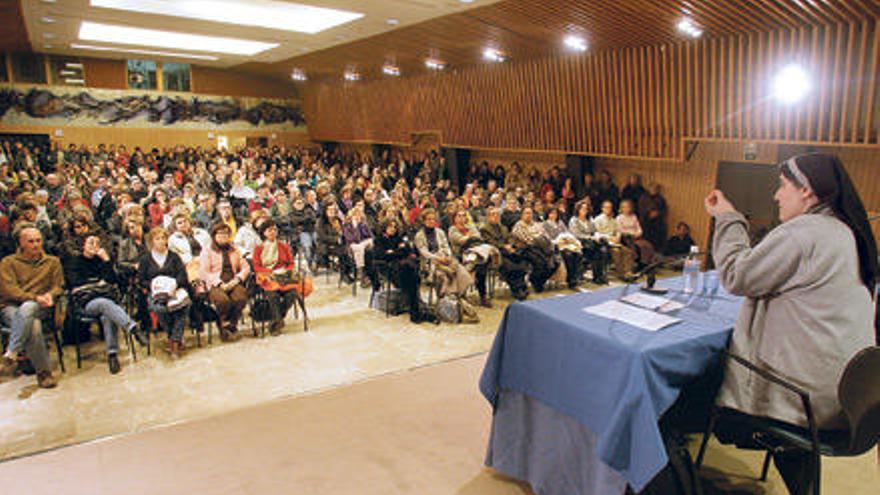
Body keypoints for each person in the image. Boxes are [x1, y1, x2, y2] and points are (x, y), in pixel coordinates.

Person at [704, 153, 878, 495]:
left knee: (699, 382)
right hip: (839, 399)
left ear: (808, 192)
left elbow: (737, 275)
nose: (776, 195)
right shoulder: (845, 232)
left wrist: (728, 218)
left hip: (805, 403)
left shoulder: (806, 232)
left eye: (783, 186)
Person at [63, 234, 147, 373]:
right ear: (83, 245)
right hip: (86, 303)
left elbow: (114, 281)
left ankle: (112, 355)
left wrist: (107, 261)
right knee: (104, 303)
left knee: (107, 314)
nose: (94, 246)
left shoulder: (101, 261)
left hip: (105, 301)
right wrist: (98, 284)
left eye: (97, 243)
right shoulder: (74, 262)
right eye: (91, 243)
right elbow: (76, 284)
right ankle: (132, 328)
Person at [0, 225, 61, 388]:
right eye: (31, 241)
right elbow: (9, 290)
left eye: (39, 240)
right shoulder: (8, 262)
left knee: (29, 309)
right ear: (21, 243)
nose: (36, 244)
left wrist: (51, 295)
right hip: (11, 307)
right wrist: (35, 297)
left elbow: (58, 286)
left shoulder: (52, 262)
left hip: (41, 307)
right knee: (32, 324)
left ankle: (12, 351)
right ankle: (44, 373)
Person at [137, 227, 189, 358]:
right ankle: (174, 337)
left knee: (182, 307)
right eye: (157, 238)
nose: (161, 241)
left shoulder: (174, 256)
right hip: (156, 292)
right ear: (152, 241)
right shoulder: (145, 259)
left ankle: (174, 343)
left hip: (175, 290)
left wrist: (174, 285)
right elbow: (141, 280)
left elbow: (182, 275)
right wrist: (156, 286)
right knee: (160, 308)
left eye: (163, 238)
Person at [253, 219, 307, 336]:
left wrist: (285, 271)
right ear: (263, 233)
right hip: (267, 275)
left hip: (283, 276)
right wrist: (270, 272)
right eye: (269, 230)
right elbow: (257, 266)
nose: (272, 232)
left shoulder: (283, 246)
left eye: (275, 230)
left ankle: (276, 319)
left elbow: (291, 263)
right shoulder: (259, 248)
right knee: (273, 294)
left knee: (292, 293)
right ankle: (277, 321)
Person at [200, 222, 250, 342]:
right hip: (215, 282)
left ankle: (232, 324)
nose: (223, 236)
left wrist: (238, 278)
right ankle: (223, 324)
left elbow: (245, 267)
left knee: (241, 298)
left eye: (226, 234)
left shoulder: (234, 249)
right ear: (214, 236)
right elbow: (204, 271)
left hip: (232, 280)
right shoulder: (207, 250)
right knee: (223, 301)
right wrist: (219, 283)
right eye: (220, 234)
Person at [414, 208, 473, 299]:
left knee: (460, 270)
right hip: (430, 262)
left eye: (433, 219)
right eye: (429, 219)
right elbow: (424, 252)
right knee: (443, 275)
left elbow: (446, 246)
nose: (432, 221)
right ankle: (445, 297)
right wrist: (438, 258)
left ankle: (457, 295)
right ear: (424, 221)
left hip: (444, 258)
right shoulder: (419, 235)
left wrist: (448, 255)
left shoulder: (440, 232)